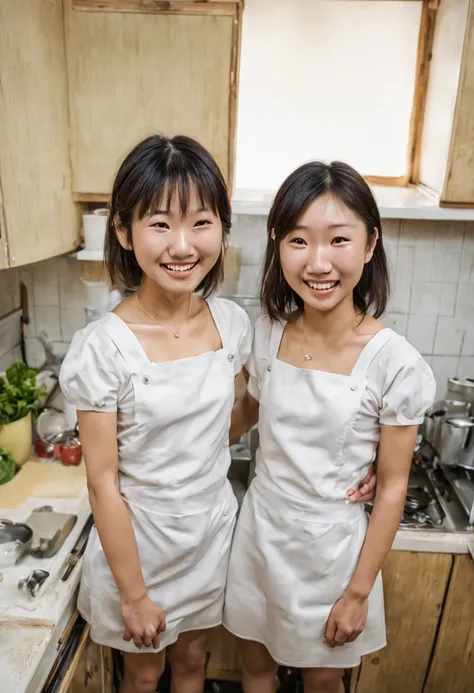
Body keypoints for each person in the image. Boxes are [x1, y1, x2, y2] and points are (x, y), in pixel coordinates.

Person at [224, 161, 436, 693]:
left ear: (369, 245)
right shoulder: (267, 333)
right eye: (298, 240)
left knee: (322, 680)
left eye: (338, 239)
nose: (318, 262)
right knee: (254, 670)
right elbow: (240, 417)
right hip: (261, 534)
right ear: (278, 246)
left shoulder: (396, 363)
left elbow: (390, 487)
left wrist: (358, 593)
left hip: (332, 554)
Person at [59, 134, 254, 693]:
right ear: (123, 231)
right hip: (138, 547)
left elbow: (229, 425)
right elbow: (102, 483)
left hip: (209, 535)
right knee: (144, 675)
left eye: (201, 222)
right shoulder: (102, 348)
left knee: (194, 662)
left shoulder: (231, 326)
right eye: (161, 223)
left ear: (221, 227)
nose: (183, 245)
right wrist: (134, 594)